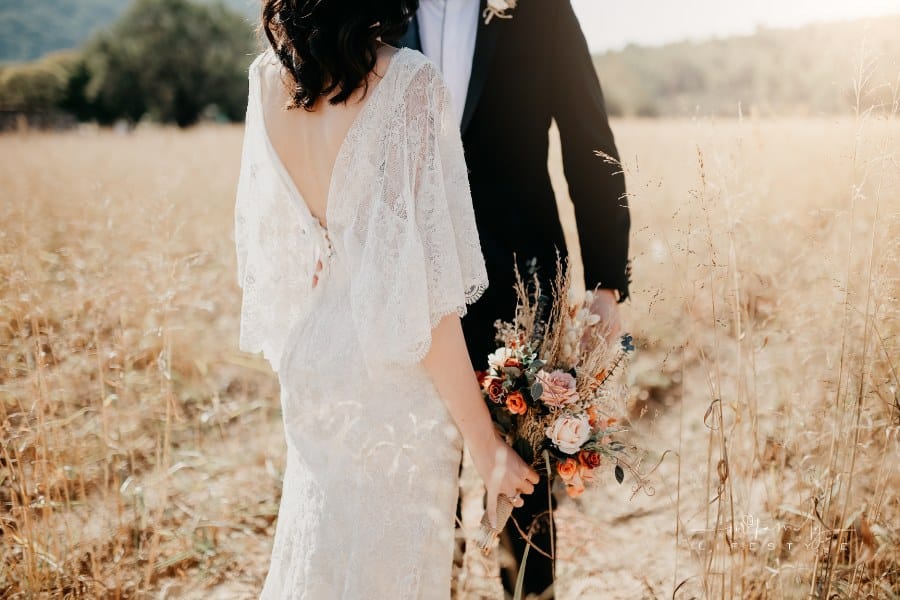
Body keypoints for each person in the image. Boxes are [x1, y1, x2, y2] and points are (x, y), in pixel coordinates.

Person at [233, 1, 539, 597]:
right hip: (391, 378)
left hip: (315, 354)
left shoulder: (269, 80)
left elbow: (282, 250)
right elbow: (423, 300)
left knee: (319, 550)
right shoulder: (408, 81)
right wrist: (484, 444)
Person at [399, 1, 631, 596]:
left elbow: (588, 134)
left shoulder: (540, 6)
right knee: (417, 480)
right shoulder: (368, 8)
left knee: (528, 486)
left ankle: (531, 591)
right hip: (403, 278)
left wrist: (606, 282)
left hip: (522, 279)